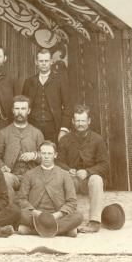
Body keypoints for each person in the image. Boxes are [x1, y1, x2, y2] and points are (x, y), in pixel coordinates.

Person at [58, 105, 109, 233]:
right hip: (73, 179)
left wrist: (88, 172)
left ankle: (94, 222)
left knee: (97, 180)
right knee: (66, 179)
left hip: (89, 180)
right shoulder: (65, 140)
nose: (80, 124)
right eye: (78, 121)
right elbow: (58, 162)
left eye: (83, 121)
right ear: (73, 122)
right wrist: (68, 169)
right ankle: (70, 222)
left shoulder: (98, 139)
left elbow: (105, 164)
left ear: (89, 121)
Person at [17, 140, 84, 237]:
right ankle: (64, 230)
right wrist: (36, 213)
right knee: (19, 213)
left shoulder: (64, 174)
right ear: (40, 154)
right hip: (36, 215)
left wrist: (56, 215)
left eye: (49, 153)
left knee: (78, 216)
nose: (47, 156)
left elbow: (72, 201)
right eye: (43, 153)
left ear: (55, 155)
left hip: (57, 215)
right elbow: (21, 199)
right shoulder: (29, 174)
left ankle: (32, 231)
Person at [0, 96, 44, 198]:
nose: (20, 112)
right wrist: (2, 166)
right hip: (12, 175)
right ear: (13, 110)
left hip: (32, 175)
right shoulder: (3, 133)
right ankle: (11, 210)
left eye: (23, 109)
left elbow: (45, 157)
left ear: (29, 111)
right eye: (17, 109)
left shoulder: (37, 133)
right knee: (5, 178)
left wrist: (34, 155)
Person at [21, 48, 72, 143]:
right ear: (36, 62)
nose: (44, 63)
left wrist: (63, 129)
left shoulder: (60, 81)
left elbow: (68, 106)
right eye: (41, 61)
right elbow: (23, 106)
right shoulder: (29, 82)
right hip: (33, 128)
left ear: (51, 62)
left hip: (53, 128)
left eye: (46, 61)